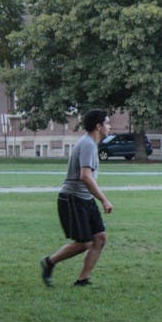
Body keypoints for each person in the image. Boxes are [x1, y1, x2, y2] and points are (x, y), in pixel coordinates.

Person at [40, 109, 114, 287]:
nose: (110, 127)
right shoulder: (87, 144)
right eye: (107, 123)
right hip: (72, 198)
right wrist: (104, 199)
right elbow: (85, 176)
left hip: (85, 198)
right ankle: (49, 262)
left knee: (100, 238)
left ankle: (83, 280)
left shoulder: (91, 144)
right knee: (84, 243)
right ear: (98, 126)